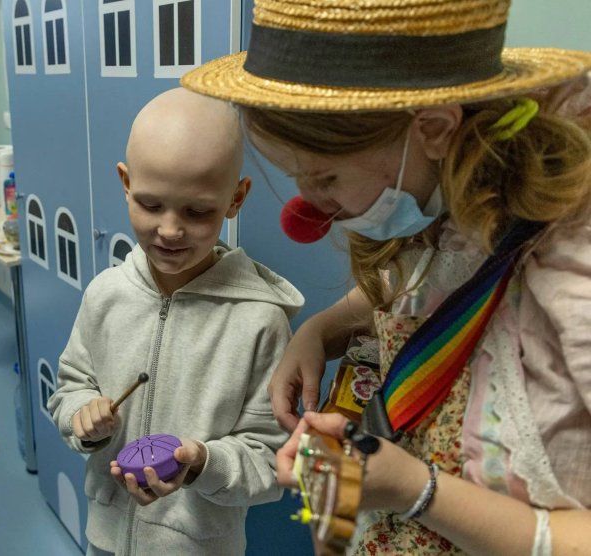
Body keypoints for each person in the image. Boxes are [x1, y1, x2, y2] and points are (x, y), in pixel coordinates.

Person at [182, 0, 591, 553]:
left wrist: (415, 490)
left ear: (434, 127)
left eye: (325, 176)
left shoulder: (573, 274)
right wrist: (321, 330)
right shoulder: (451, 199)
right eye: (296, 177)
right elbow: (438, 291)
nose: (311, 205)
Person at [48, 88, 303, 556]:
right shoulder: (105, 295)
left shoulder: (260, 322)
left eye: (197, 211)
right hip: (104, 538)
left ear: (236, 198)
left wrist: (203, 463)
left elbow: (271, 462)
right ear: (125, 183)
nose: (169, 229)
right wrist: (81, 416)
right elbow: (70, 388)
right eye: (150, 204)